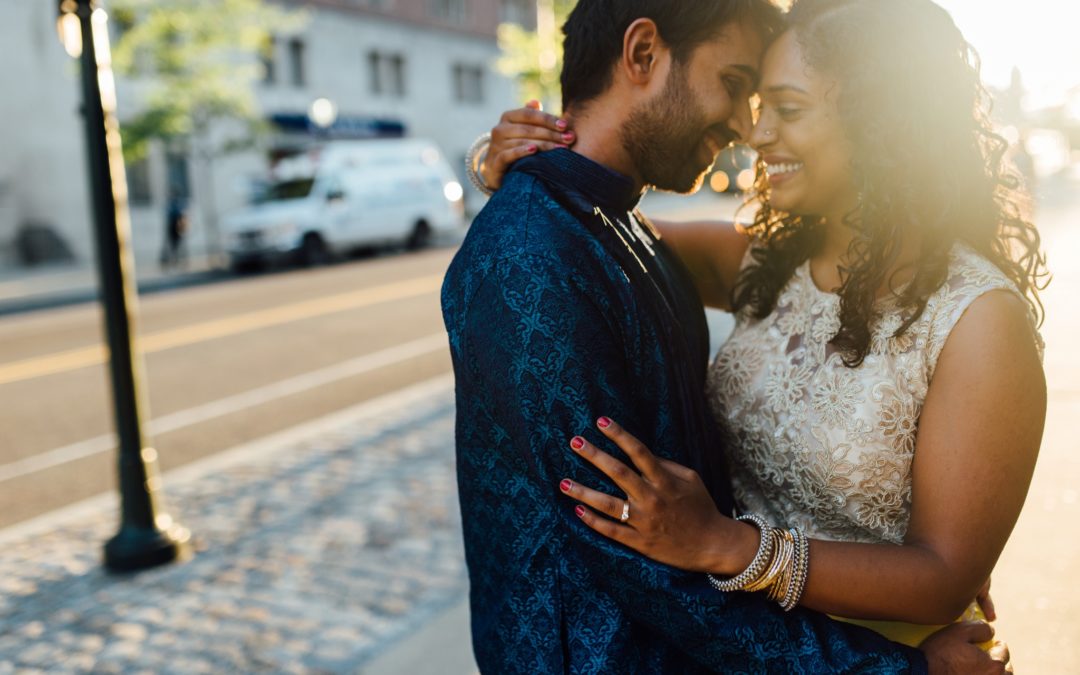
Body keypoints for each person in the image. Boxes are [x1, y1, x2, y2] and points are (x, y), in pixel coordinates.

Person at [444, 0, 1011, 672]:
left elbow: (945, 568)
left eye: (785, 108)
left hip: (867, 643)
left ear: (882, 124)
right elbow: (577, 240)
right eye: (745, 92)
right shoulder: (760, 264)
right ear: (643, 53)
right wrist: (510, 171)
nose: (754, 130)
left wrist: (736, 547)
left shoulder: (976, 316)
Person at [160, 191, 189, 270]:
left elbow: (182, 216)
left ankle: (177, 260)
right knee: (173, 245)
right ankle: (172, 260)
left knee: (177, 245)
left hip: (177, 226)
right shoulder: (172, 204)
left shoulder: (177, 204)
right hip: (172, 226)